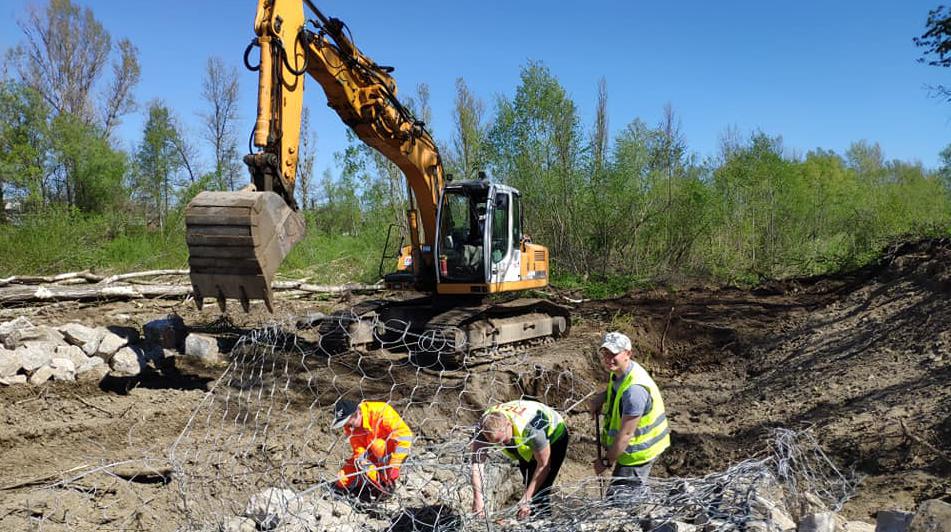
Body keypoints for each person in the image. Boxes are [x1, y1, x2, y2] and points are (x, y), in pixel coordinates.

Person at [589, 331, 670, 498]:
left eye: (614, 353)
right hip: (628, 451)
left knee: (620, 503)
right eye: (606, 353)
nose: (608, 358)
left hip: (638, 453)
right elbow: (615, 390)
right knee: (627, 495)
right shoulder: (619, 373)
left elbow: (626, 434)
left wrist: (606, 461)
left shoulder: (635, 391)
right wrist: (602, 398)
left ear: (628, 353)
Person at [470, 400, 569, 520]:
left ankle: (543, 522)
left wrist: (527, 499)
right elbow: (477, 465)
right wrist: (478, 499)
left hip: (554, 436)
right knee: (528, 482)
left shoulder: (533, 430)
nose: (501, 445)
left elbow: (544, 465)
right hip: (524, 442)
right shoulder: (483, 427)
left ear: (508, 424)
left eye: (503, 440)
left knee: (539, 493)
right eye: (495, 443)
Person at [332, 399, 413, 501]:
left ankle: (388, 480)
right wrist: (369, 471)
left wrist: (395, 464)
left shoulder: (380, 411)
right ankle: (378, 483)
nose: (346, 426)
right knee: (342, 480)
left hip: (392, 453)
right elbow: (359, 451)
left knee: (376, 445)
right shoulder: (350, 427)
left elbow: (405, 436)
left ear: (356, 414)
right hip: (372, 456)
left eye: (347, 422)